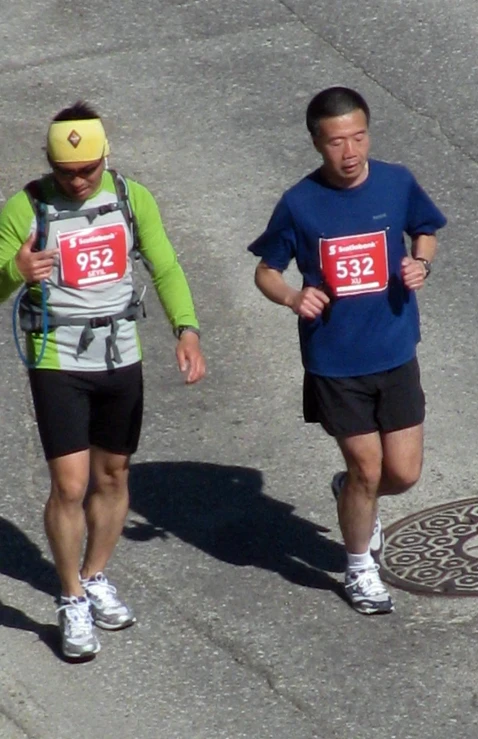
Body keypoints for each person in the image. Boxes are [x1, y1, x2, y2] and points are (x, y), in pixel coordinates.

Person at [0, 101, 206, 658]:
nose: (78, 179)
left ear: (104, 158)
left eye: (88, 169)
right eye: (66, 171)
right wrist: (13, 273)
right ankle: (69, 600)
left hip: (119, 356)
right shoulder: (26, 208)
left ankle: (94, 576)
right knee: (70, 484)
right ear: (48, 162)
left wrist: (185, 329)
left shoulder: (130, 199)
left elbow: (163, 265)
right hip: (57, 358)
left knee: (112, 477)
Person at [248, 86, 446, 616]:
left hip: (395, 348)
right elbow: (265, 270)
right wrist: (294, 295)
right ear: (318, 143)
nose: (350, 151)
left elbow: (425, 231)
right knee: (367, 467)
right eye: (337, 141)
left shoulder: (396, 182)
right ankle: (359, 567)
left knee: (400, 474)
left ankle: (353, 493)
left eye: (358, 137)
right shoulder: (300, 203)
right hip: (335, 362)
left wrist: (420, 264)